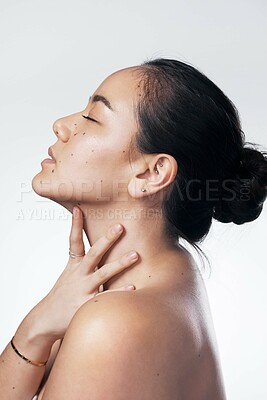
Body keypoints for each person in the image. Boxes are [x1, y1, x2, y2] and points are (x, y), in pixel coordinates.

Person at [1, 58, 266, 400]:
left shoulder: (112, 322)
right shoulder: (172, 274)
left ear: (152, 174)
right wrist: (39, 327)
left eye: (92, 118)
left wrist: (33, 331)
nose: (61, 126)